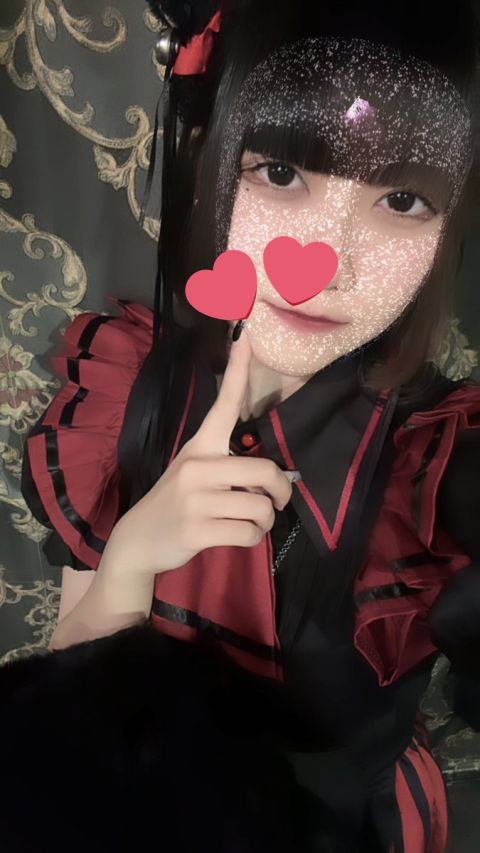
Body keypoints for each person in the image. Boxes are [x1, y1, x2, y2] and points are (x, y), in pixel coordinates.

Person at [20, 0, 480, 850]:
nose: (329, 260)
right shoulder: (126, 387)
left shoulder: (438, 465)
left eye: (402, 198)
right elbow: (73, 698)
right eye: (282, 174)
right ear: (210, 162)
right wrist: (131, 556)